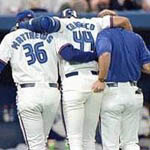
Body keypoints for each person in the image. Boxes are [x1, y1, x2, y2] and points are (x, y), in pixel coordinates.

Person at [18, 9, 132, 150]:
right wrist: (128, 41)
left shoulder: (61, 25)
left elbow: (68, 53)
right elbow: (124, 21)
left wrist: (23, 26)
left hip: (73, 82)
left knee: (74, 139)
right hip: (95, 81)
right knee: (89, 137)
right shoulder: (94, 22)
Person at [0, 10, 61, 150]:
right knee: (41, 142)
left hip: (29, 93)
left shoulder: (11, 37)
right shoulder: (51, 37)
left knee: (35, 144)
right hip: (52, 92)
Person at [92, 27, 150, 150]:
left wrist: (101, 79)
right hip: (133, 90)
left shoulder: (104, 34)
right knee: (130, 142)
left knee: (111, 144)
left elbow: (105, 54)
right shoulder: (136, 37)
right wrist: (131, 65)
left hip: (112, 92)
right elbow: (147, 66)